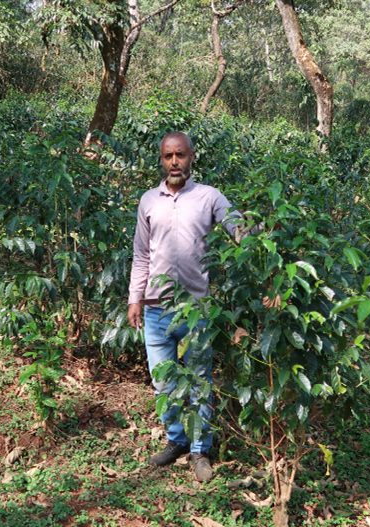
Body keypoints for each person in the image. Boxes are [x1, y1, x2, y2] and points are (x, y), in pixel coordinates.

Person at [127, 131, 246, 483]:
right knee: (163, 382)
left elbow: (239, 229)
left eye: (180, 155)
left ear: (192, 156)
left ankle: (199, 449)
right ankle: (176, 440)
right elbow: (141, 254)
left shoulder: (209, 197)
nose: (174, 162)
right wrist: (134, 297)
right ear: (161, 160)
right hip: (155, 309)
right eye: (168, 156)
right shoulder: (148, 201)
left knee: (199, 383)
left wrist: (266, 257)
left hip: (197, 309)